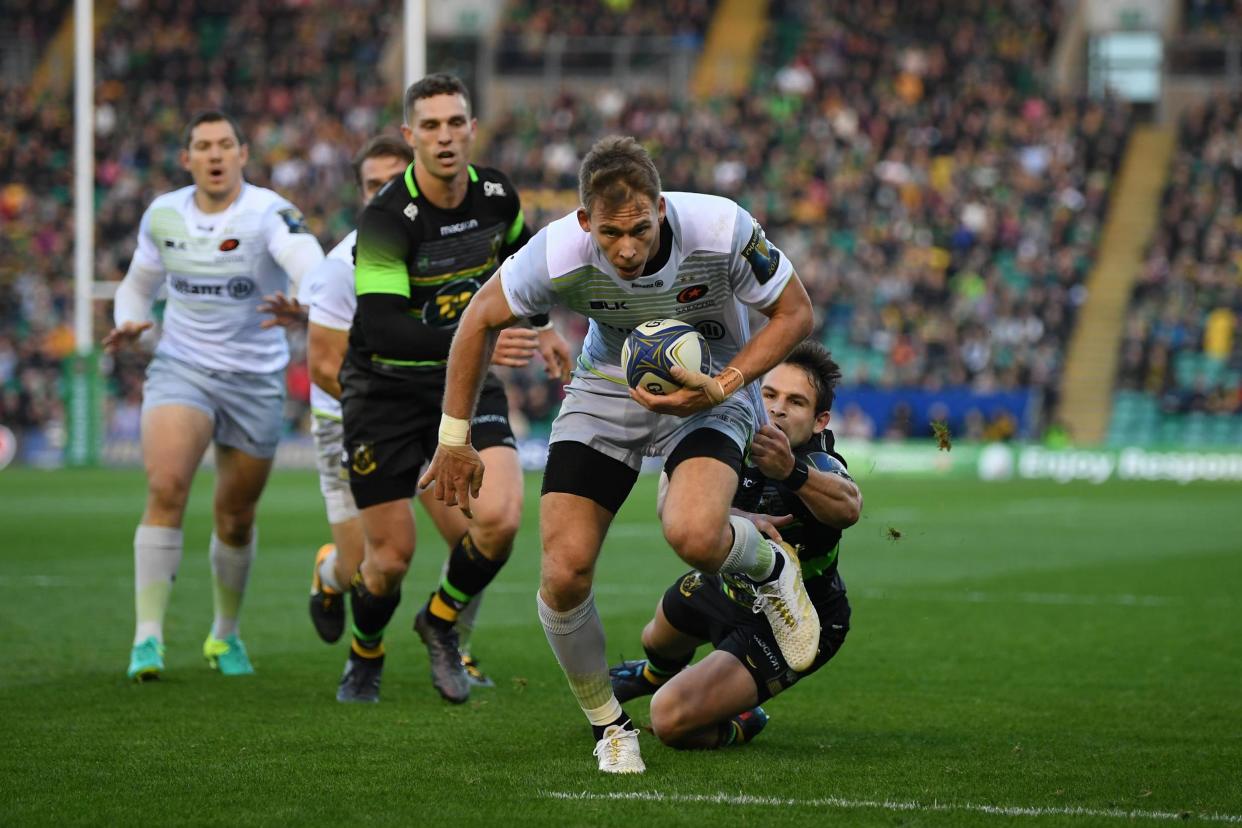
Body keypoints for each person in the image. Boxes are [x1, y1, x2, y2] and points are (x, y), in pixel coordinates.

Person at [420, 135, 816, 773]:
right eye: (610, 234)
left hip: (711, 388)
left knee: (692, 533)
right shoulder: (557, 251)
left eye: (638, 228)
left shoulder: (721, 227)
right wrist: (453, 438)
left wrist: (726, 383)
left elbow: (795, 314)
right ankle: (611, 727)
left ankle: (768, 567)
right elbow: (478, 319)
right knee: (564, 572)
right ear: (585, 224)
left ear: (660, 208)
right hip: (606, 388)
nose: (626, 248)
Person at [335, 74, 571, 705]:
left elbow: (524, 269)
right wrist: (486, 342)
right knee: (389, 559)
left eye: (455, 123)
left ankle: (439, 623)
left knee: (498, 519)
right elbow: (383, 329)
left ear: (472, 129)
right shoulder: (386, 218)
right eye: (431, 126)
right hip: (382, 393)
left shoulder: (497, 194)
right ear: (411, 136)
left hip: (461, 385)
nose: (445, 136)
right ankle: (365, 654)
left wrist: (543, 330)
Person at [104, 110, 325, 681]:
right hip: (183, 367)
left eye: (225, 144)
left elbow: (307, 261)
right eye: (203, 145)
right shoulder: (163, 213)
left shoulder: (268, 212)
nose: (215, 154)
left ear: (243, 153)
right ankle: (147, 638)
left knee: (235, 516)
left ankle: (224, 636)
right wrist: (129, 320)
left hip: (255, 377)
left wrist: (302, 297)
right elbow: (137, 285)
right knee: (167, 485)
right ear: (187, 159)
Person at [609, 341, 862, 750]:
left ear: (820, 421)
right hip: (728, 589)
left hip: (794, 621)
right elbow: (667, 502)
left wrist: (791, 472)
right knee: (657, 637)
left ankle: (743, 719)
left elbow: (850, 507)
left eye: (796, 402)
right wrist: (743, 518)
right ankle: (651, 673)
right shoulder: (732, 437)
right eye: (770, 395)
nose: (778, 408)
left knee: (669, 720)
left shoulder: (819, 464)